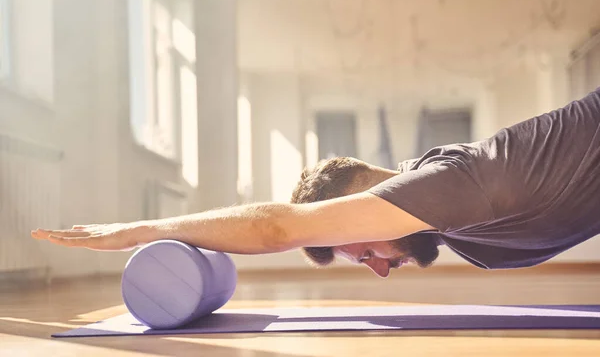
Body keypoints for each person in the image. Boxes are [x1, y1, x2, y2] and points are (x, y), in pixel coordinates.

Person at [32, 88, 600, 278]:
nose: (379, 266)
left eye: (364, 250)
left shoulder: (444, 185)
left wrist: (142, 229)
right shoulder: (460, 232)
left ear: (360, 201)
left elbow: (275, 226)